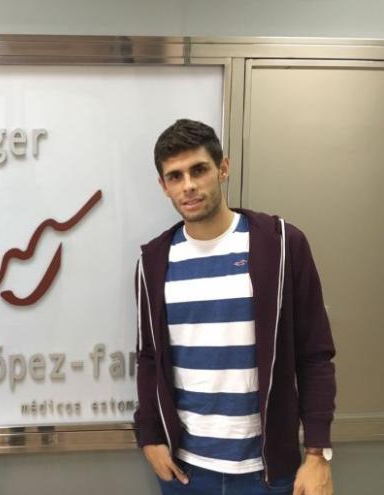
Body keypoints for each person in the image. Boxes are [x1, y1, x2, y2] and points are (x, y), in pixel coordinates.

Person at [134, 119, 335, 495]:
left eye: (199, 170)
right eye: (175, 177)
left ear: (223, 168)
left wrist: (317, 454)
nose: (188, 185)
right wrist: (149, 435)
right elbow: (149, 357)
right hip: (186, 472)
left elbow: (315, 355)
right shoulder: (153, 261)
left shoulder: (280, 246)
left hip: (270, 472)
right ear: (164, 187)